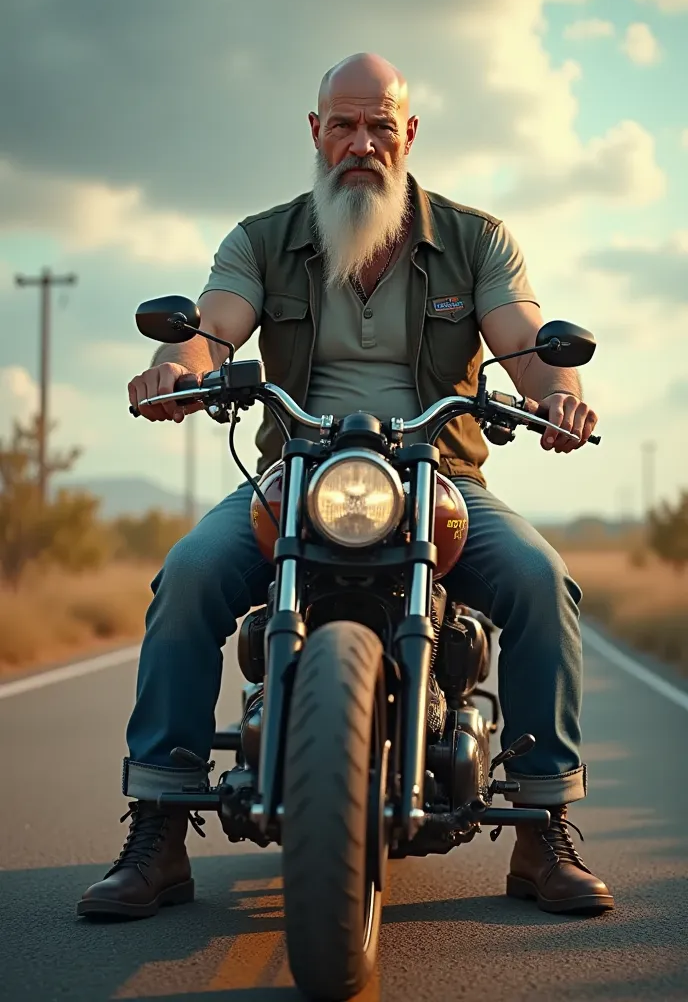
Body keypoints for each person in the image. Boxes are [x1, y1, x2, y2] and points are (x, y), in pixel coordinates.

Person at [78, 53, 613, 920]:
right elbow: (211, 329)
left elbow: (523, 342)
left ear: (407, 134)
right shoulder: (263, 238)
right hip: (296, 474)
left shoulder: (474, 240)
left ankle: (542, 827)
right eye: (343, 125)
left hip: (441, 477)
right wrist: (172, 369)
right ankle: (160, 826)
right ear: (317, 132)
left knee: (543, 581)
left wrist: (558, 395)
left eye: (379, 126)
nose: (361, 143)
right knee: (186, 575)